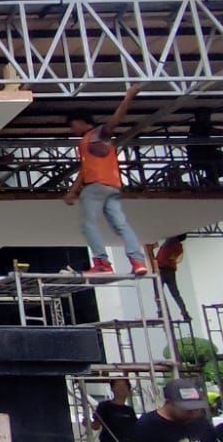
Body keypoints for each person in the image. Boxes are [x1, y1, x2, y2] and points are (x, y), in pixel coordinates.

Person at [63, 87, 148, 275]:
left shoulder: (97, 133)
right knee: (121, 225)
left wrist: (128, 97)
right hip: (113, 187)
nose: (72, 129)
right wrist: (72, 191)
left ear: (79, 121)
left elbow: (115, 121)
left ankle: (102, 263)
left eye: (72, 125)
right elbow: (84, 170)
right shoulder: (88, 141)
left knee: (88, 224)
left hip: (95, 187)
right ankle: (137, 262)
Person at [153, 235, 191, 322]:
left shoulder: (170, 241)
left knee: (158, 293)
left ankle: (160, 311)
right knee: (175, 294)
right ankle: (185, 313)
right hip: (171, 271)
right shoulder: (179, 247)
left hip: (161, 269)